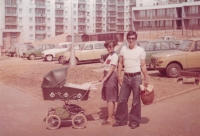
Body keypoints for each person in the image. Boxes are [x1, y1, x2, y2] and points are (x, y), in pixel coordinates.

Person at [112, 30, 148, 129]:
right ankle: (120, 120)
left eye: (133, 38)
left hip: (137, 77)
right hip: (126, 77)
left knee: (136, 101)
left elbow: (143, 65)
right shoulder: (123, 49)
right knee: (122, 100)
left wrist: (146, 79)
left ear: (136, 39)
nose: (131, 40)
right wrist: (119, 76)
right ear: (127, 39)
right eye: (129, 38)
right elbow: (120, 63)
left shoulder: (140, 50)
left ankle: (134, 121)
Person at [99, 40, 119, 126]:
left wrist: (105, 78)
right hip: (107, 77)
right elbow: (106, 68)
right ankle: (111, 116)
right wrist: (102, 77)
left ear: (114, 46)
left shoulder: (114, 56)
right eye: (107, 46)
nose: (109, 48)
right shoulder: (109, 56)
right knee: (109, 97)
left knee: (110, 98)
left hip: (111, 77)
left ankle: (110, 118)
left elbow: (111, 69)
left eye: (111, 46)